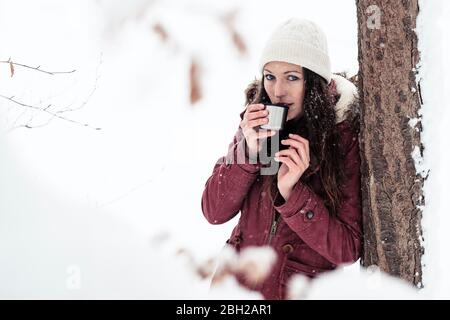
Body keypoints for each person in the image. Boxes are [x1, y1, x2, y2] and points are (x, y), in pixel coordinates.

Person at [201, 18, 362, 300]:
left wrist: (293, 194)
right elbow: (213, 212)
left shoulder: (341, 137)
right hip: (234, 293)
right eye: (270, 76)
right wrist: (247, 152)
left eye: (292, 77)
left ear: (313, 81)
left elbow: (347, 248)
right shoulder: (256, 123)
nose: (277, 91)